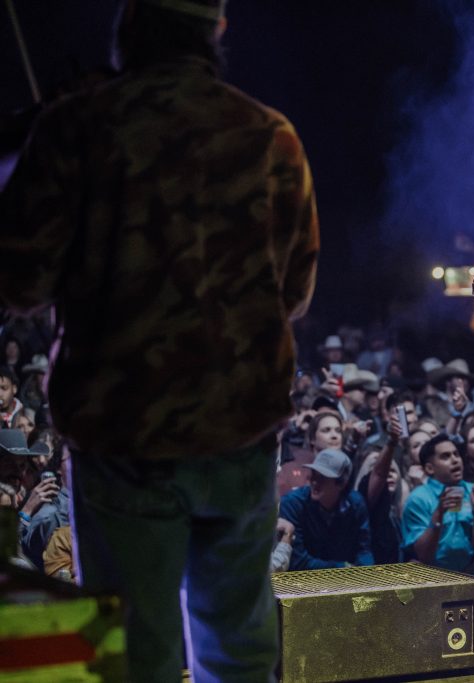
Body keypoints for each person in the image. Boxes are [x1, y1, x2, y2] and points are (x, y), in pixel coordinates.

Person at [0, 1, 319, 679]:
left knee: (138, 655)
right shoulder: (272, 137)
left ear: (127, 30)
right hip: (240, 435)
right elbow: (294, 295)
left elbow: (18, 279)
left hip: (126, 437)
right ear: (219, 32)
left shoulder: (81, 126)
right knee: (240, 647)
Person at [401, 434, 474, 571]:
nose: (455, 460)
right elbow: (423, 555)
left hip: (467, 576)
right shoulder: (418, 499)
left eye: (456, 454)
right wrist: (438, 514)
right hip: (431, 579)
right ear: (429, 468)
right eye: (445, 456)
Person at [279, 449, 373, 570]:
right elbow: (298, 561)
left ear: (341, 483)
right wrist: (343, 568)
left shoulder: (356, 504)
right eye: (314, 474)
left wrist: (366, 572)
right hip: (302, 583)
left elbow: (364, 550)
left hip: (344, 581)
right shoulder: (292, 504)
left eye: (323, 476)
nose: (314, 481)